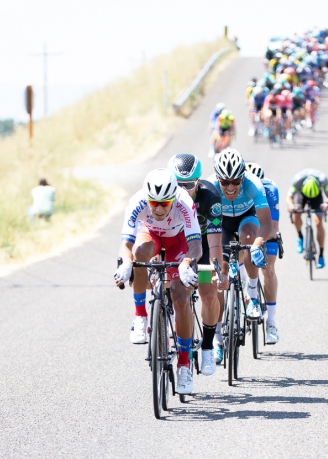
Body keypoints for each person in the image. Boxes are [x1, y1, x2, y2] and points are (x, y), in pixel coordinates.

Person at [114, 168, 202, 395]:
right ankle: (140, 316)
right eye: (154, 203)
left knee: (180, 294)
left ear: (174, 197)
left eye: (165, 203)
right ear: (147, 199)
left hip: (178, 241)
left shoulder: (184, 202)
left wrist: (185, 264)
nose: (160, 208)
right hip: (151, 235)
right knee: (139, 252)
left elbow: (196, 246)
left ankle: (184, 365)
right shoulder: (136, 202)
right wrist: (126, 263)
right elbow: (126, 243)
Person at [208, 148, 273, 362]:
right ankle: (217, 339)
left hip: (248, 218)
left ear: (242, 177)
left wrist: (257, 245)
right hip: (222, 224)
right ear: (217, 178)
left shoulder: (254, 184)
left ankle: (252, 296)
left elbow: (266, 224)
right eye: (224, 182)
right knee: (220, 277)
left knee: (248, 240)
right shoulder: (210, 189)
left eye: (236, 181)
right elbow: (206, 229)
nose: (230, 187)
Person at [167, 153, 229, 376]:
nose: (184, 191)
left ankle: (207, 347)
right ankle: (164, 321)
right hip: (174, 242)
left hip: (200, 244)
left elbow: (214, 242)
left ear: (199, 182)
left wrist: (217, 269)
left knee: (209, 294)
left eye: (189, 185)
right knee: (168, 287)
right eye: (179, 185)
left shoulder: (211, 197)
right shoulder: (165, 195)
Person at [245, 162, 281, 344]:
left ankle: (271, 323)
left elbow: (273, 227)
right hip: (247, 228)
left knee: (269, 270)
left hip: (267, 232)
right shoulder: (240, 189)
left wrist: (260, 242)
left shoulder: (270, 189)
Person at [286, 168, 328, 268]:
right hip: (301, 194)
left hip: (317, 197)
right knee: (296, 212)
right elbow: (289, 197)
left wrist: (326, 203)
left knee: (318, 222)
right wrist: (291, 206)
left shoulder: (323, 180)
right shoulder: (297, 180)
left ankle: (321, 254)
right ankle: (300, 236)